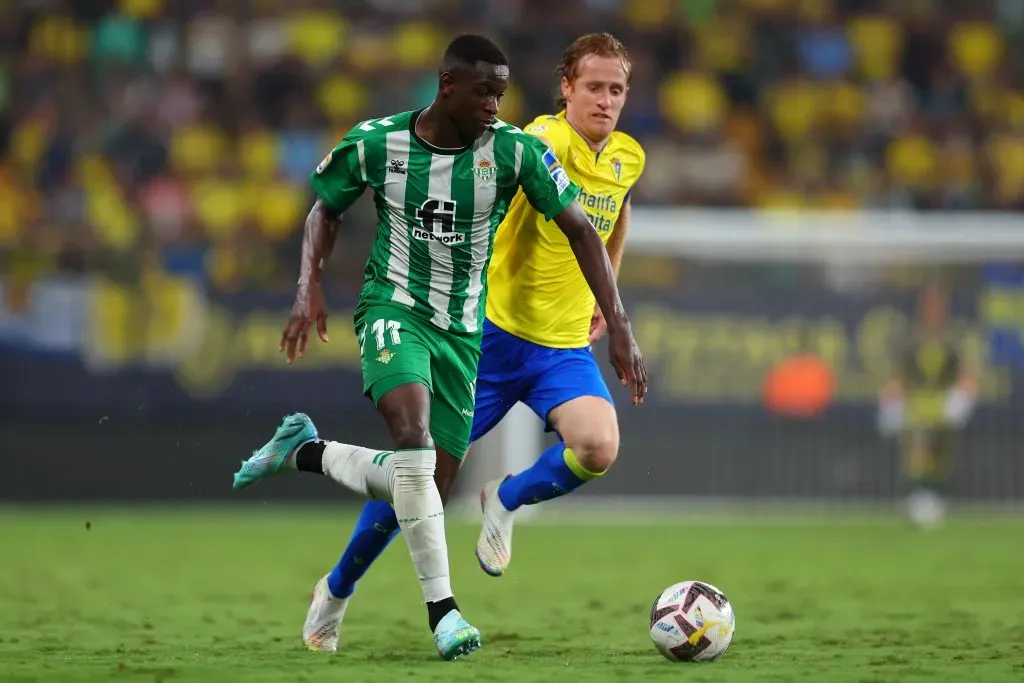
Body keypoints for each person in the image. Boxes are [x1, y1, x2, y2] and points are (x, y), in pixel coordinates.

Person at [230, 34, 647, 659]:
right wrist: (307, 285)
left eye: (617, 90)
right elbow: (328, 206)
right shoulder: (525, 143)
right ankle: (396, 600)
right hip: (472, 327)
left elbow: (602, 223)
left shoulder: (601, 156)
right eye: (595, 86)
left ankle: (483, 495)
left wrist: (613, 315)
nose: (607, 101)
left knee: (573, 448)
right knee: (417, 458)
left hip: (535, 341)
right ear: (566, 86)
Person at [877, 281, 977, 529]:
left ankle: (937, 499)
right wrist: (891, 404)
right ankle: (916, 499)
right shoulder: (909, 339)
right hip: (916, 405)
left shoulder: (954, 339)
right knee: (917, 453)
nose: (933, 310)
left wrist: (961, 399)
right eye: (929, 304)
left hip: (942, 404)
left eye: (938, 305)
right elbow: (898, 376)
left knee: (940, 455)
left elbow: (966, 374)